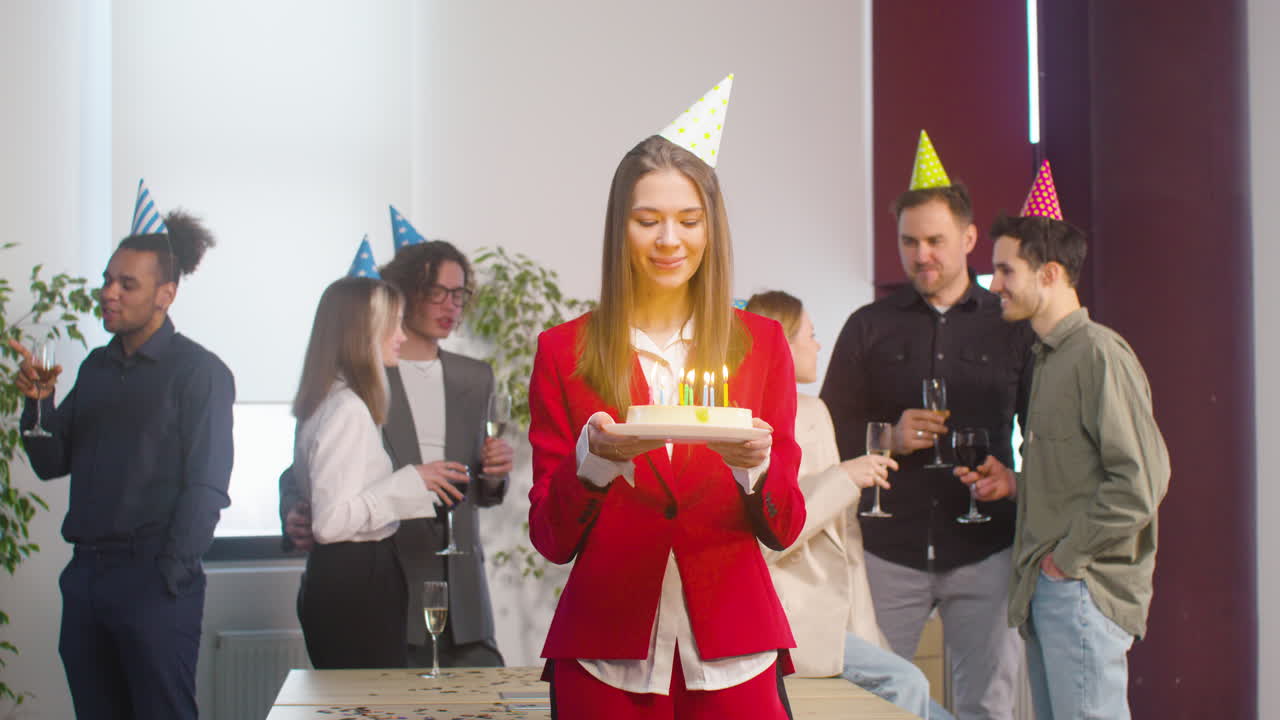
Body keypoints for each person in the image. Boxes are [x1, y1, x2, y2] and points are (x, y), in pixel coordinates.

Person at [527, 124, 806, 717]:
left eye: (689, 219)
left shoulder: (762, 344)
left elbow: (786, 525)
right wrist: (594, 464)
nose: (669, 240)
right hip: (606, 650)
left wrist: (753, 471)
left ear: (712, 228)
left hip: (734, 648)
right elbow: (551, 538)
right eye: (647, 220)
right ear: (618, 229)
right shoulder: (563, 352)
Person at [819, 131, 1033, 719]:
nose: (921, 255)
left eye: (935, 240)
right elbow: (825, 433)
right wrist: (887, 437)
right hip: (889, 550)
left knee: (987, 706)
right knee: (873, 705)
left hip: (987, 545)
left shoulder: (1010, 324)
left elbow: (1042, 431)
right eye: (909, 242)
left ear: (968, 239)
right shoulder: (869, 326)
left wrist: (1016, 483)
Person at [960, 161, 1170, 720]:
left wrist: (1067, 558)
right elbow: (1082, 475)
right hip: (1053, 587)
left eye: (1006, 271)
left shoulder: (1097, 353)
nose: (994, 284)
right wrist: (1018, 484)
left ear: (1050, 274)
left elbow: (1141, 482)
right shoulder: (1047, 356)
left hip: (1080, 587)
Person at [11, 209, 233, 719]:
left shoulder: (201, 372)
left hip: (153, 580)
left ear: (166, 294)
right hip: (87, 576)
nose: (109, 292)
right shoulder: (97, 366)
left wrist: (169, 576)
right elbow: (51, 462)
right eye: (108, 280)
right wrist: (38, 403)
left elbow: (207, 487)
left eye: (127, 284)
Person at [281, 239, 513, 668]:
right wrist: (297, 508)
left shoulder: (475, 377)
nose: (451, 305)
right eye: (437, 291)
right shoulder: (363, 384)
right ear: (401, 298)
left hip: (461, 594)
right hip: (386, 581)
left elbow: (474, 485)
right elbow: (314, 470)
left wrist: (495, 474)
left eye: (459, 293)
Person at [747, 291, 953, 720]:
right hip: (791, 617)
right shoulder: (755, 423)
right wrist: (844, 478)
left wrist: (866, 630)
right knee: (906, 682)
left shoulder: (813, 410)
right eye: (811, 334)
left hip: (839, 617)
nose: (818, 345)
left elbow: (843, 542)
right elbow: (769, 537)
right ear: (783, 342)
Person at [291, 276, 451, 668]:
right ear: (362, 332)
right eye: (393, 323)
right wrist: (409, 482)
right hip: (358, 583)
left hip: (346, 581)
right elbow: (330, 524)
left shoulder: (328, 401)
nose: (401, 335)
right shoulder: (348, 408)